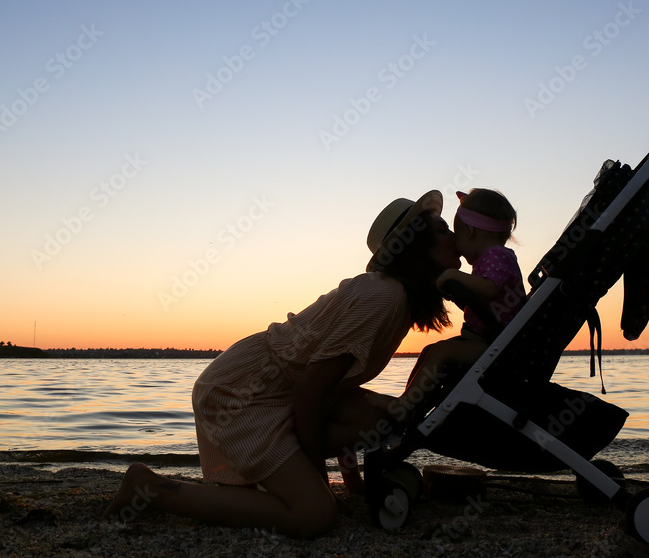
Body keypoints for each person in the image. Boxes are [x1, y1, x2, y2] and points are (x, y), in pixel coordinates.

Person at [103, 190, 460, 537]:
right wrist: (324, 486)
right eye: (443, 229)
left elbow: (336, 386)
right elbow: (311, 392)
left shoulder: (395, 298)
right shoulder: (383, 298)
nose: (454, 236)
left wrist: (353, 484)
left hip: (276, 389)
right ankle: (146, 487)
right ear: (415, 244)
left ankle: (286, 484)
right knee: (315, 515)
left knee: (385, 414)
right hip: (242, 393)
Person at [398, 188, 527, 404]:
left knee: (441, 352)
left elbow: (489, 288)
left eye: (457, 234)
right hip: (488, 339)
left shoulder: (497, 255)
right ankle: (414, 402)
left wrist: (453, 275)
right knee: (431, 350)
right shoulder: (490, 258)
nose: (455, 242)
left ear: (470, 231)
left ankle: (405, 407)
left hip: (496, 343)